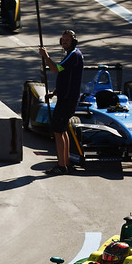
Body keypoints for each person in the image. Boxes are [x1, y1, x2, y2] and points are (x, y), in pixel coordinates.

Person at [39, 29, 84, 174]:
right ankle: (65, 162)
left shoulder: (73, 55)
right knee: (62, 130)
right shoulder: (70, 55)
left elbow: (55, 69)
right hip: (65, 97)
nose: (64, 43)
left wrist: (46, 56)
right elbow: (66, 77)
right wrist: (54, 91)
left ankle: (61, 165)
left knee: (58, 131)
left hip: (67, 100)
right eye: (63, 40)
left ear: (73, 41)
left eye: (67, 40)